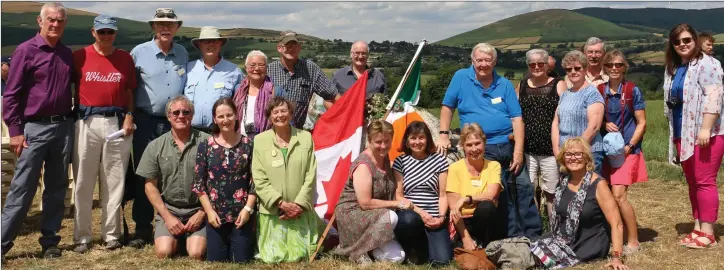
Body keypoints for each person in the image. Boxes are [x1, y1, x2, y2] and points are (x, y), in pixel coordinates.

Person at [437, 42, 541, 239]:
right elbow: (447, 107)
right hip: (482, 148)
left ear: (494, 61)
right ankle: (509, 237)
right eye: (479, 60)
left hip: (508, 145)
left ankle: (533, 236)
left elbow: (516, 118)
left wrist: (518, 151)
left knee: (524, 189)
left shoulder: (504, 84)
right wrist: (443, 134)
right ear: (472, 61)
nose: (483, 64)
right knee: (498, 194)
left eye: (487, 60)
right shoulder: (461, 77)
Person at [1, 2, 74, 260]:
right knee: (23, 187)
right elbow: (11, 95)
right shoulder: (25, 51)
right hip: (34, 128)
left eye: (60, 21)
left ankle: (50, 241)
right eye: (51, 20)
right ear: (39, 21)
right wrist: (16, 131)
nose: (55, 24)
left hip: (63, 127)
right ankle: (2, 244)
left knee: (56, 187)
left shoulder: (66, 54)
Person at [71, 14, 136, 253]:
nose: (106, 35)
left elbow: (130, 90)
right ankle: (83, 236)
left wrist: (130, 115)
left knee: (114, 179)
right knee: (83, 181)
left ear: (115, 33)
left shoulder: (124, 58)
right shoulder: (79, 56)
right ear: (93, 32)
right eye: (102, 32)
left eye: (110, 31)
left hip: (117, 122)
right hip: (86, 121)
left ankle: (111, 234)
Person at [127, 8, 188, 248]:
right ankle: (142, 228)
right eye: (160, 24)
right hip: (146, 121)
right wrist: (129, 115)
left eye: (170, 25)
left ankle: (171, 223)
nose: (165, 28)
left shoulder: (182, 53)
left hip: (176, 122)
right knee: (146, 173)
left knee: (173, 174)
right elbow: (129, 88)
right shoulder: (139, 53)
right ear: (153, 27)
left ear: (177, 28)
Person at [664, 24, 724, 249]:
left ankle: (708, 232)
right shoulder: (676, 66)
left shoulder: (708, 64)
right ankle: (698, 226)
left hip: (706, 132)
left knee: (705, 181)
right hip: (683, 132)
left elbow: (714, 96)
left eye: (687, 40)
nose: (682, 44)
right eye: (677, 41)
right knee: (692, 182)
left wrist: (706, 128)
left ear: (696, 41)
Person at [530, 137, 628, 270]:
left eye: (578, 154)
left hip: (588, 243)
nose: (573, 158)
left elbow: (617, 223)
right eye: (568, 154)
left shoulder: (598, 184)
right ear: (563, 158)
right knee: (526, 246)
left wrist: (617, 257)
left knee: (537, 259)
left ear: (586, 157)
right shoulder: (564, 180)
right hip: (563, 238)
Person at [135, 96, 208, 260]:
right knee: (163, 252)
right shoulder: (155, 146)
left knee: (196, 253)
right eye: (175, 112)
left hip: (198, 208)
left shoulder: (207, 142)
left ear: (192, 115)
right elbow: (150, 186)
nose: (181, 116)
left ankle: (190, 237)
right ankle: (177, 235)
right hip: (170, 209)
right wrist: (167, 217)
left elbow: (216, 182)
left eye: (186, 112)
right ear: (168, 116)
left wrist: (203, 213)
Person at [251, 96, 321, 263]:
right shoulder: (260, 141)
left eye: (284, 111)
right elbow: (259, 178)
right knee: (273, 257)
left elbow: (311, 174)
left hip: (300, 211)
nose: (280, 115)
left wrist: (298, 205)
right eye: (275, 112)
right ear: (269, 117)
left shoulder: (305, 137)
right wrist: (281, 203)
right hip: (274, 211)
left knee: (303, 255)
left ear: (291, 114)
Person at [334, 119, 408, 264]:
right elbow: (365, 203)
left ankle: (367, 248)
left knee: (398, 257)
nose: (384, 146)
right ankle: (355, 250)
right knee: (391, 216)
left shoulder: (384, 156)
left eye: (387, 141)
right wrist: (398, 203)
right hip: (353, 212)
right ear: (369, 140)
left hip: (374, 214)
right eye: (378, 142)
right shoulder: (363, 164)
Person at [192, 98, 256, 262]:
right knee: (217, 261)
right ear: (215, 119)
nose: (225, 120)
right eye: (221, 116)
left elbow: (255, 182)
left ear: (236, 116)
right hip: (216, 215)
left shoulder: (248, 145)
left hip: (242, 214)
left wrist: (248, 210)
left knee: (240, 260)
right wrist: (209, 212)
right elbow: (199, 184)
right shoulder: (205, 146)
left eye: (229, 115)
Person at [599, 49, 648, 254]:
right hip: (606, 150)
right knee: (609, 195)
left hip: (627, 150)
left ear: (624, 67)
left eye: (618, 65)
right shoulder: (599, 90)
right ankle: (616, 235)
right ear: (605, 67)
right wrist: (603, 123)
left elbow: (642, 122)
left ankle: (633, 241)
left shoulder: (632, 90)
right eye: (610, 65)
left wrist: (630, 146)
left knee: (619, 195)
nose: (614, 68)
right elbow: (594, 116)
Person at [392, 121, 452, 266]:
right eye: (413, 138)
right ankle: (413, 249)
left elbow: (443, 194)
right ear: (407, 140)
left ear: (427, 139)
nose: (417, 142)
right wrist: (421, 213)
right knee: (409, 219)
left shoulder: (440, 160)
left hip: (434, 217)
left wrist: (441, 217)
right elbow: (399, 195)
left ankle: (426, 249)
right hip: (411, 214)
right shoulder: (401, 162)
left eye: (421, 137)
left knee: (442, 261)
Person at [516, 49, 566, 217]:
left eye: (540, 64)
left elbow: (565, 114)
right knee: (528, 190)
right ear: (528, 66)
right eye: (532, 64)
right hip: (527, 149)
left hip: (550, 149)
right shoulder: (522, 85)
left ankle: (553, 228)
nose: (536, 67)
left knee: (551, 192)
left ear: (547, 65)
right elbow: (515, 115)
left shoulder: (558, 84)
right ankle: (535, 227)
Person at [266, 30, 340, 130]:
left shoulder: (310, 69)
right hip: (270, 131)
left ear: (299, 48)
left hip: (297, 132)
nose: (291, 49)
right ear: (279, 48)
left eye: (294, 45)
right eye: (287, 45)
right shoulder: (269, 70)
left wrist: (348, 115)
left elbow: (334, 95)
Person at [447, 123, 504, 250]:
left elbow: (491, 195)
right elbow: (454, 209)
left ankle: (487, 246)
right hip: (462, 223)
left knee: (486, 206)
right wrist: (465, 237)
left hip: (486, 220)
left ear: (484, 143)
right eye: (469, 145)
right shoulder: (454, 168)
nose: (474, 149)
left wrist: (466, 199)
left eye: (477, 143)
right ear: (463, 147)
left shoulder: (494, 166)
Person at [552, 50, 606, 176]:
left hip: (587, 153)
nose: (573, 72)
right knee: (568, 192)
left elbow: (594, 126)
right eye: (568, 69)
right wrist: (557, 150)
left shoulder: (592, 93)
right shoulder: (565, 94)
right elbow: (556, 123)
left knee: (587, 193)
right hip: (565, 154)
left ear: (585, 69)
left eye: (577, 68)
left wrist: (576, 151)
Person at [185, 26, 243, 132]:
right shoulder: (189, 68)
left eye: (215, 41)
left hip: (220, 132)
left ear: (221, 44)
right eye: (206, 42)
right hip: (190, 131)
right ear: (199, 45)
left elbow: (241, 102)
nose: (211, 44)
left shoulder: (234, 71)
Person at [233, 50, 279, 139]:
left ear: (266, 68)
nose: (257, 68)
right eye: (252, 65)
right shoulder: (238, 89)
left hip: (267, 141)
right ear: (246, 67)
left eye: (261, 65)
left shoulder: (276, 91)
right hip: (239, 140)